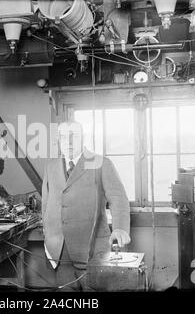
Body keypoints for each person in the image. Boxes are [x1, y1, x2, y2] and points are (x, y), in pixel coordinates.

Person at [41, 121, 130, 291]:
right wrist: (47, 232)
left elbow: (118, 199)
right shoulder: (50, 166)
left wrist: (120, 229)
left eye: (74, 136)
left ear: (83, 138)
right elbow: (46, 202)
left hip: (92, 248)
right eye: (63, 137)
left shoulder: (101, 163)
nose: (68, 141)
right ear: (58, 140)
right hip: (60, 250)